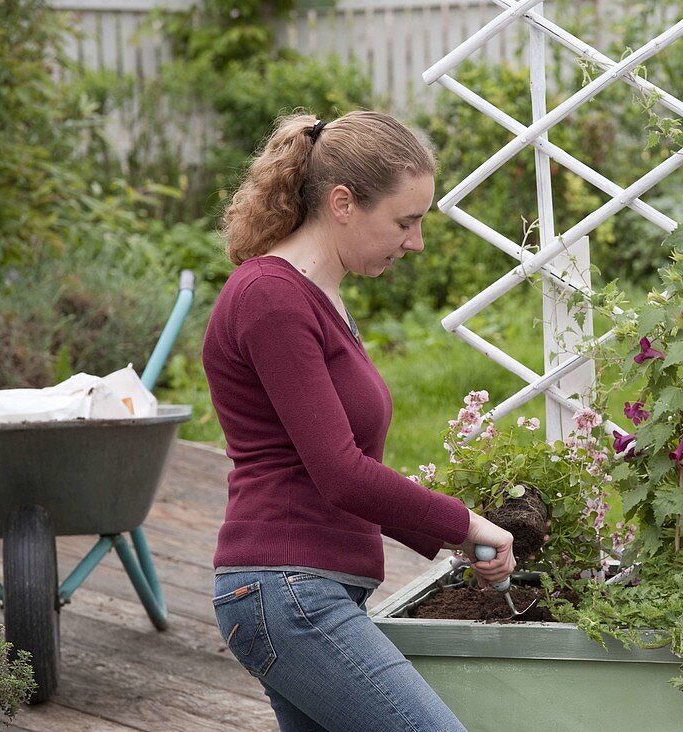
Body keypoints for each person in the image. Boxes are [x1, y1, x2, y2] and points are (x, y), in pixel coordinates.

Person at [202, 110, 515, 731]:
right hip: (287, 590)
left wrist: (450, 539)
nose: (416, 241)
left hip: (305, 590)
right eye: (405, 220)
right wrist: (464, 523)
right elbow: (341, 475)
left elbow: (342, 469)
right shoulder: (271, 298)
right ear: (343, 203)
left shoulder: (315, 296)